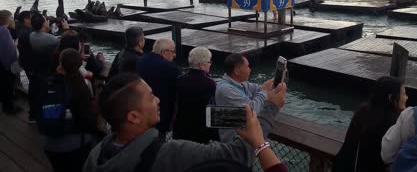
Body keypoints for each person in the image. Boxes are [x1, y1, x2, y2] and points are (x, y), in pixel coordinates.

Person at [82, 73, 288, 172]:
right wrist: (270, 107)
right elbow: (239, 156)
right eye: (151, 97)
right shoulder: (172, 153)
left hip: (190, 125)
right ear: (133, 117)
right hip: (206, 127)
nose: (158, 100)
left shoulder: (97, 154)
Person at [332, 76, 407, 172]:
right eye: (403, 94)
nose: (406, 97)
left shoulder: (363, 110)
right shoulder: (393, 121)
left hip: (344, 166)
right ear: (391, 97)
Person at [42, 49, 98, 172]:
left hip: (50, 143)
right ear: (79, 65)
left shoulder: (50, 83)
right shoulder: (83, 85)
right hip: (76, 144)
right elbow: (87, 119)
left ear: (60, 64)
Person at [215, 53, 274, 142]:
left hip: (245, 136)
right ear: (237, 71)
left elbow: (258, 88)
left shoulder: (241, 83)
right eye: (247, 67)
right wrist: (264, 91)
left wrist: (270, 84)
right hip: (234, 143)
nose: (250, 70)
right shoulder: (225, 89)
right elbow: (251, 111)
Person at [136, 38, 180, 140]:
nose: (174, 55)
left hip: (141, 110)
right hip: (161, 114)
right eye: (173, 52)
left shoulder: (140, 60)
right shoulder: (171, 68)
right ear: (164, 52)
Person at [173, 47, 218, 143]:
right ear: (201, 65)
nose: (210, 64)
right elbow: (215, 105)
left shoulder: (179, 79)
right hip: (201, 128)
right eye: (209, 62)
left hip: (181, 126)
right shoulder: (210, 83)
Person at [29, 12, 68, 120]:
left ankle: (36, 115)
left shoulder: (32, 35)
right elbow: (64, 42)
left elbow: (47, 38)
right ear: (42, 24)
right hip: (49, 71)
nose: (48, 21)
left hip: (38, 70)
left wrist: (48, 30)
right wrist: (66, 29)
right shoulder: (50, 39)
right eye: (46, 20)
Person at [0, 10, 20, 114]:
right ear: (6, 19)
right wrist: (10, 66)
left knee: (3, 85)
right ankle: (9, 108)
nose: (12, 19)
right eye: (11, 17)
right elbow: (7, 50)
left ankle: (6, 103)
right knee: (7, 86)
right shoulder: (4, 31)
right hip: (6, 65)